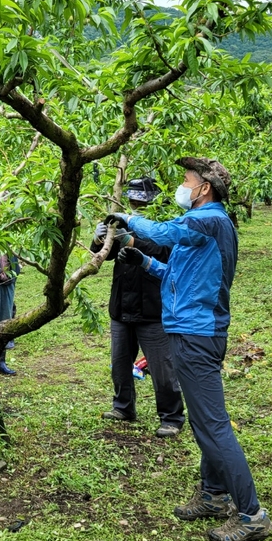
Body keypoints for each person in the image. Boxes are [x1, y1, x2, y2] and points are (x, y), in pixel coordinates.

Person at [107, 157, 272, 541]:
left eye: (186, 180)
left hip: (198, 334)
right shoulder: (202, 228)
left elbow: (164, 232)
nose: (183, 185)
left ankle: (252, 515)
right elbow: (174, 273)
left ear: (204, 188)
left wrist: (128, 218)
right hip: (189, 329)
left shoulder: (210, 219)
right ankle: (213, 496)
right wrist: (138, 254)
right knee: (203, 422)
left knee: (213, 425)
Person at [91, 177, 184, 438]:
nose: (135, 206)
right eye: (131, 201)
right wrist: (100, 240)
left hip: (152, 307)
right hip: (122, 304)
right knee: (120, 364)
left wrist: (131, 241)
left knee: (162, 368)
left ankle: (172, 417)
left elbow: (165, 253)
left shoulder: (165, 225)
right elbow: (103, 254)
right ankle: (123, 408)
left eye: (140, 201)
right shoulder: (122, 221)